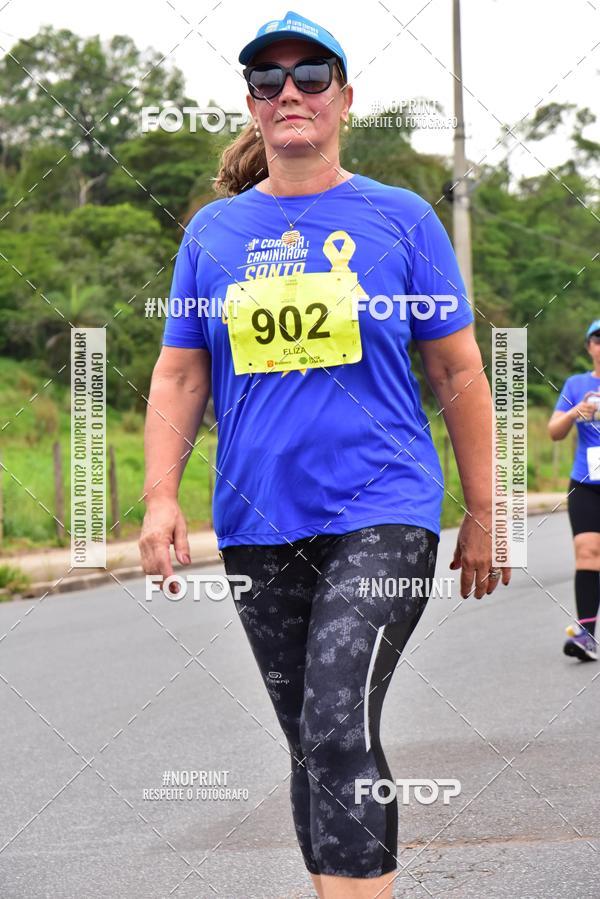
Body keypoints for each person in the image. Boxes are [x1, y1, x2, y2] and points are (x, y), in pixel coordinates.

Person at [139, 10, 511, 898]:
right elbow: (181, 376)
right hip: (258, 519)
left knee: (338, 718)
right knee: (312, 736)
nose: (291, 92)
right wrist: (160, 496)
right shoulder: (213, 235)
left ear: (344, 97)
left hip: (384, 506)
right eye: (270, 81)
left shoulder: (403, 219)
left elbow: (458, 368)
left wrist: (485, 507)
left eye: (311, 77)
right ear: (253, 107)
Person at [549, 319, 600, 663]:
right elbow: (554, 431)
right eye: (597, 339)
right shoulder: (576, 384)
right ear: (589, 347)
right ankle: (586, 635)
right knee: (587, 551)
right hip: (585, 482)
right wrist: (574, 413)